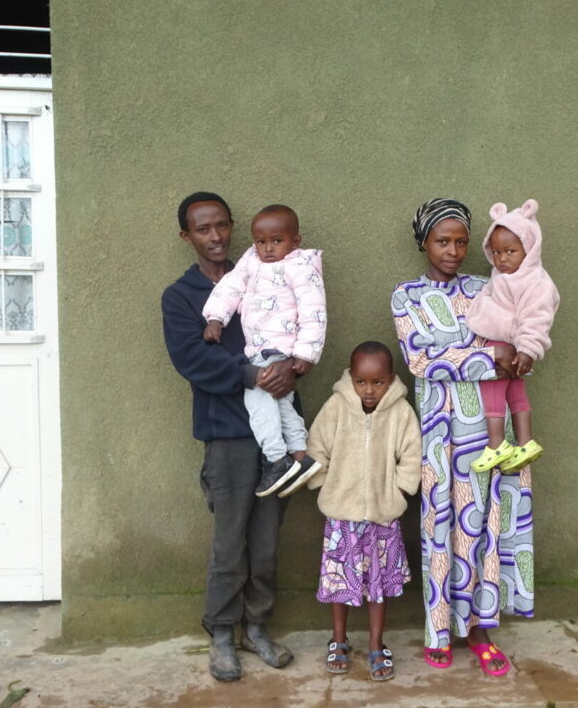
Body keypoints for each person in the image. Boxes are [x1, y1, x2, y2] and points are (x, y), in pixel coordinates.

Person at [391, 198, 535, 677]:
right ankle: (437, 628)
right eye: (442, 241)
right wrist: (481, 357)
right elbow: (418, 360)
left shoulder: (488, 286)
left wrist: (486, 354)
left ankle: (481, 628)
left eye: (460, 241)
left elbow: (512, 337)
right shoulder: (406, 296)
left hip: (491, 431)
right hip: (438, 432)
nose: (453, 250)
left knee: (486, 524)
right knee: (440, 525)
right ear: (424, 242)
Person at [161, 191, 296, 683]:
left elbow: (298, 324)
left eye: (221, 225)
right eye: (203, 229)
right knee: (229, 541)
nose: (215, 236)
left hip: (277, 432)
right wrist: (252, 375)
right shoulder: (181, 297)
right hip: (227, 434)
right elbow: (192, 360)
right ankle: (221, 631)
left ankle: (257, 627)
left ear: (232, 225)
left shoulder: (267, 273)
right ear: (187, 236)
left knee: (265, 541)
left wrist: (293, 366)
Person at [306, 341, 421, 682]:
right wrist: (325, 486)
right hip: (343, 518)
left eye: (377, 382)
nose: (368, 390)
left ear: (390, 379)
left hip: (383, 519)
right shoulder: (337, 407)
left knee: (378, 586)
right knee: (339, 583)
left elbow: (412, 457)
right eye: (361, 381)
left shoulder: (400, 413)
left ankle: (375, 643)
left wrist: (398, 493)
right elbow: (316, 448)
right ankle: (338, 639)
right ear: (351, 378)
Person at [202, 204, 326, 498]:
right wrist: (216, 317)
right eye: (261, 241)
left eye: (277, 241)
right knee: (282, 402)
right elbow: (230, 286)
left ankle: (276, 461)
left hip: (279, 349)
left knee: (258, 403)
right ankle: (299, 456)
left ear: (295, 241)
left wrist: (306, 354)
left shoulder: (301, 267)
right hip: (259, 349)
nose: (268, 248)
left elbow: (314, 311)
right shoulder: (251, 261)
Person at [465, 199, 560, 473]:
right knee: (516, 393)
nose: (502, 259)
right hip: (511, 345)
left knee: (492, 388)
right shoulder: (503, 276)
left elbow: (538, 317)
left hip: (507, 344)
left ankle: (496, 445)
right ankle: (525, 442)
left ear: (529, 249)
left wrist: (528, 348)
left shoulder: (535, 281)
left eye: (510, 251)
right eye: (495, 252)